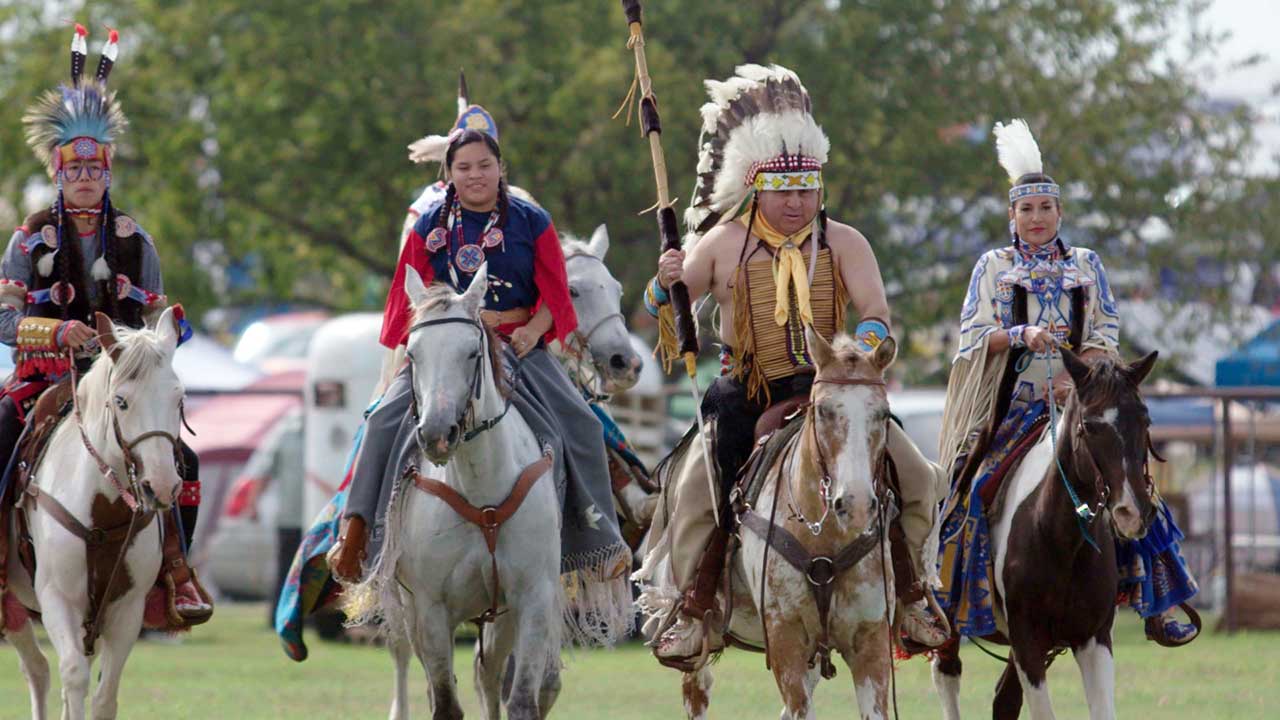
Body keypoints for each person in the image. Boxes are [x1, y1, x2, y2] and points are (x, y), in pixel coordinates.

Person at [640, 64, 949, 669]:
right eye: (785, 192)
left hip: (832, 386)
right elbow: (669, 313)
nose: (796, 203)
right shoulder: (723, 242)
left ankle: (912, 592)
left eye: (807, 191)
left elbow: (877, 311)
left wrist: (857, 351)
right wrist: (664, 283)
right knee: (699, 493)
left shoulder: (846, 242)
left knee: (917, 479)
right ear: (758, 189)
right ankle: (697, 602)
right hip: (744, 390)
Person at [326, 123, 631, 635]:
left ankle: (598, 546)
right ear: (449, 173)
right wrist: (420, 346)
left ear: (500, 169)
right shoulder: (428, 223)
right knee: (380, 421)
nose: (475, 175)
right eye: (463, 167)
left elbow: (556, 290)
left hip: (517, 339)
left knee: (580, 421)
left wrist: (535, 330)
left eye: (484, 166)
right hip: (446, 345)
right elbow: (406, 300)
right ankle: (357, 537)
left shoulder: (531, 219)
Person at [934, 119, 1199, 645]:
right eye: (1026, 209)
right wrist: (1019, 333)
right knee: (967, 489)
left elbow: (1104, 332)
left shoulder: (1087, 265)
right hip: (1009, 408)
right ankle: (947, 604)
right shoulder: (993, 266)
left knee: (1134, 485)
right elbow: (971, 337)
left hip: (1081, 406)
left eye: (1046, 208)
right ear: (1012, 215)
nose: (1037, 218)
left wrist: (1083, 381)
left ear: (1060, 213)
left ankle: (1155, 600)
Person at [0, 24, 210, 630]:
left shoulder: (134, 238)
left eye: (94, 167)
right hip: (42, 381)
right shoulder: (29, 234)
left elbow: (159, 315)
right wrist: (56, 333)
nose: (84, 177)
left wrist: (166, 330)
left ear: (108, 169)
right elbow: (4, 321)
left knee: (183, 461)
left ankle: (175, 571)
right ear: (59, 172)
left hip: (122, 379)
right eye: (74, 168)